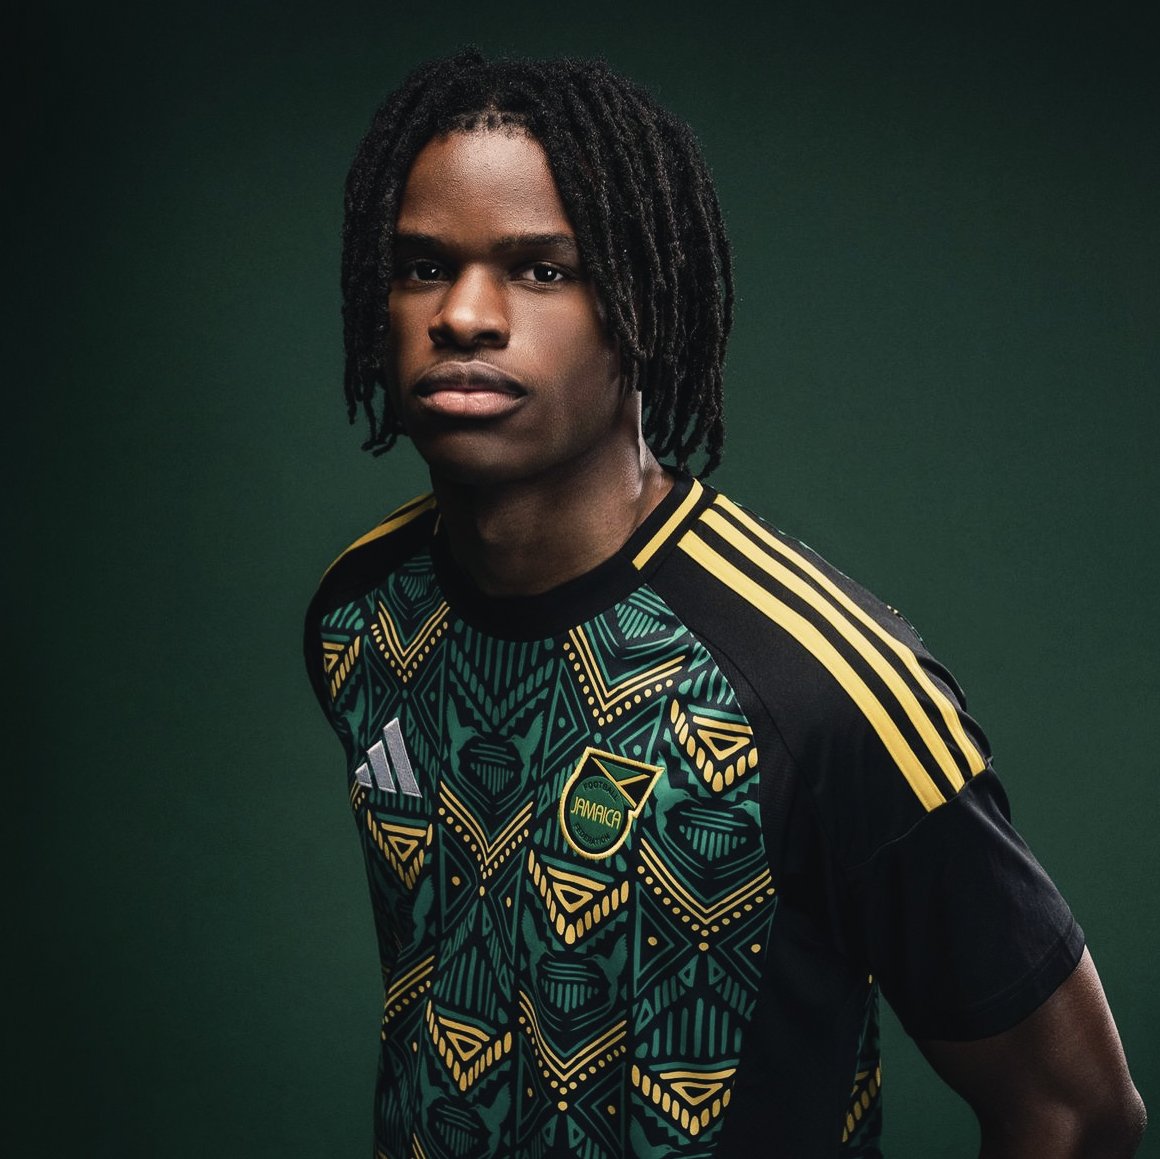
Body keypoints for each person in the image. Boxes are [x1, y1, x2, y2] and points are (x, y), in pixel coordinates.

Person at [303, 49, 1145, 1158]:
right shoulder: (362, 614)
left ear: (642, 302)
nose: (463, 314)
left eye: (541, 270)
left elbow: (1075, 1110)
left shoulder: (817, 691)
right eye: (422, 266)